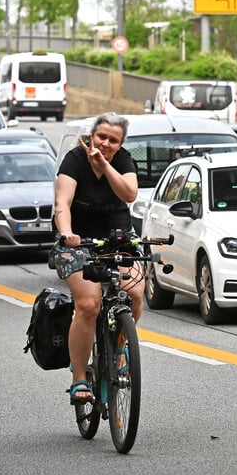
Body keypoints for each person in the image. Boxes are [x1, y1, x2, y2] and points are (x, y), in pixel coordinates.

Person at [49, 112, 141, 405]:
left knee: (135, 294)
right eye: (101, 137)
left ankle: (117, 349)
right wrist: (66, 233)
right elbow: (62, 202)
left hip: (116, 238)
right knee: (89, 304)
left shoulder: (123, 160)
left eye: (113, 140)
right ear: (91, 136)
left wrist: (105, 166)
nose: (106, 143)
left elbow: (129, 194)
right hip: (79, 240)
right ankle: (79, 378)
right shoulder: (75, 160)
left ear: (120, 144)